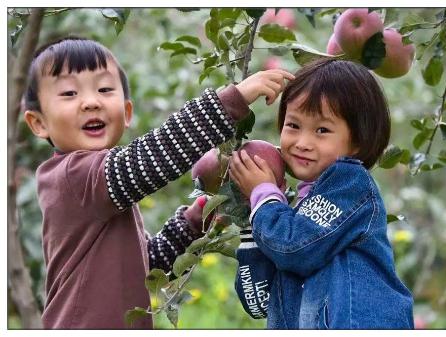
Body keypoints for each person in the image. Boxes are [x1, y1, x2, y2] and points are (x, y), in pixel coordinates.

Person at [22, 36, 294, 329]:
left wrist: (195, 219)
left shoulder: (99, 188)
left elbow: (145, 266)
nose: (91, 102)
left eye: (104, 89)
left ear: (126, 113)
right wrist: (232, 100)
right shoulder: (73, 176)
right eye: (69, 93)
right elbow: (150, 159)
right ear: (39, 123)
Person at [229, 58, 414, 329]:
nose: (303, 143)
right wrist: (253, 215)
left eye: (322, 130)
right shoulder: (291, 212)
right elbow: (257, 302)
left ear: (358, 141)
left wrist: (263, 196)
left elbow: (294, 247)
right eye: (293, 125)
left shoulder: (349, 184)